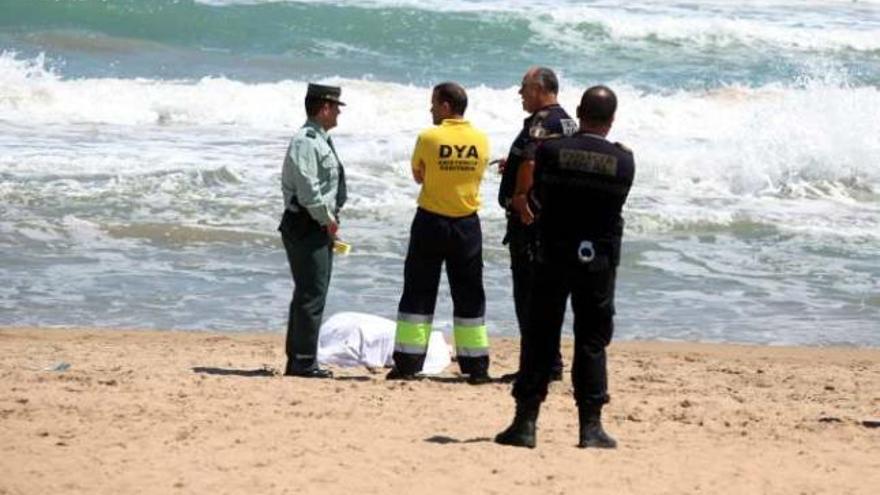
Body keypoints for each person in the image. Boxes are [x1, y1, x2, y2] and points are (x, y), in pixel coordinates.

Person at [495, 85, 635, 449]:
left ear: (579, 111)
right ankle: (590, 428)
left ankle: (525, 424)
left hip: (552, 253)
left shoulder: (552, 151)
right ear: (612, 119)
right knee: (591, 340)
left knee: (541, 336)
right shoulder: (623, 161)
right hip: (598, 261)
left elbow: (536, 196)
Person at [388, 82, 492, 384]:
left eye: (434, 104)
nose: (431, 109)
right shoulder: (481, 140)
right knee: (470, 294)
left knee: (419, 290)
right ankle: (476, 367)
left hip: (431, 221)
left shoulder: (429, 136)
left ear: (446, 106)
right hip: (467, 224)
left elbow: (419, 175)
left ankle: (408, 364)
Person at [497, 66, 577, 382]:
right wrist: (512, 165)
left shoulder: (543, 122)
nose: (520, 93)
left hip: (532, 224)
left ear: (540, 89)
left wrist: (519, 196)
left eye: (524, 87)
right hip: (554, 218)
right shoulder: (567, 121)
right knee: (546, 295)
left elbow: (531, 159)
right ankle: (550, 362)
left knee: (528, 295)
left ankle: (537, 366)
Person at [278, 83, 348, 378]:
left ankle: (300, 358)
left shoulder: (318, 139)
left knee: (309, 291)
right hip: (308, 223)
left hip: (313, 222)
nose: (338, 115)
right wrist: (327, 220)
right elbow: (309, 191)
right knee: (312, 293)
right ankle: (303, 361)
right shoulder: (307, 141)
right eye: (336, 109)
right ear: (324, 108)